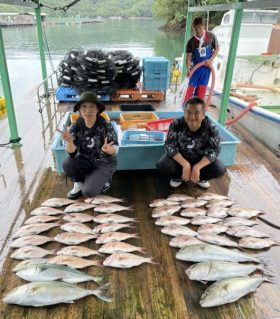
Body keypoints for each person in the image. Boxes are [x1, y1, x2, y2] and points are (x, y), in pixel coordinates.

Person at [156, 96, 226, 189]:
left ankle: (200, 178)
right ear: (184, 112)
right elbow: (170, 146)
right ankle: (178, 177)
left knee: (219, 169)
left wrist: (197, 167)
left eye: (196, 113)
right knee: (163, 165)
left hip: (201, 160)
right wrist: (185, 164)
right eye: (188, 112)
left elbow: (214, 150)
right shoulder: (176, 124)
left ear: (203, 115)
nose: (192, 117)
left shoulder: (211, 127)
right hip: (180, 160)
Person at [61, 91, 119, 199]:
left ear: (97, 109)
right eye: (84, 106)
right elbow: (72, 154)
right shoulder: (75, 126)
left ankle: (106, 178)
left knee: (88, 192)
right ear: (79, 109)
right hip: (86, 161)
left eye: (92, 106)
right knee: (67, 163)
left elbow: (115, 149)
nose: (88, 110)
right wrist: (69, 142)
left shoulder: (106, 125)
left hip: (105, 162)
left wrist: (108, 149)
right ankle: (78, 183)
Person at [183, 16, 219, 103]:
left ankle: (197, 107)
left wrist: (210, 60)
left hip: (206, 68)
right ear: (193, 28)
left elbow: (217, 49)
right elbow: (188, 56)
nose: (198, 30)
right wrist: (188, 69)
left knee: (201, 90)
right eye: (196, 28)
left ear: (203, 26)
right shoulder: (191, 41)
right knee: (189, 88)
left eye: (200, 27)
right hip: (195, 68)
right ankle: (185, 107)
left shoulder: (211, 36)